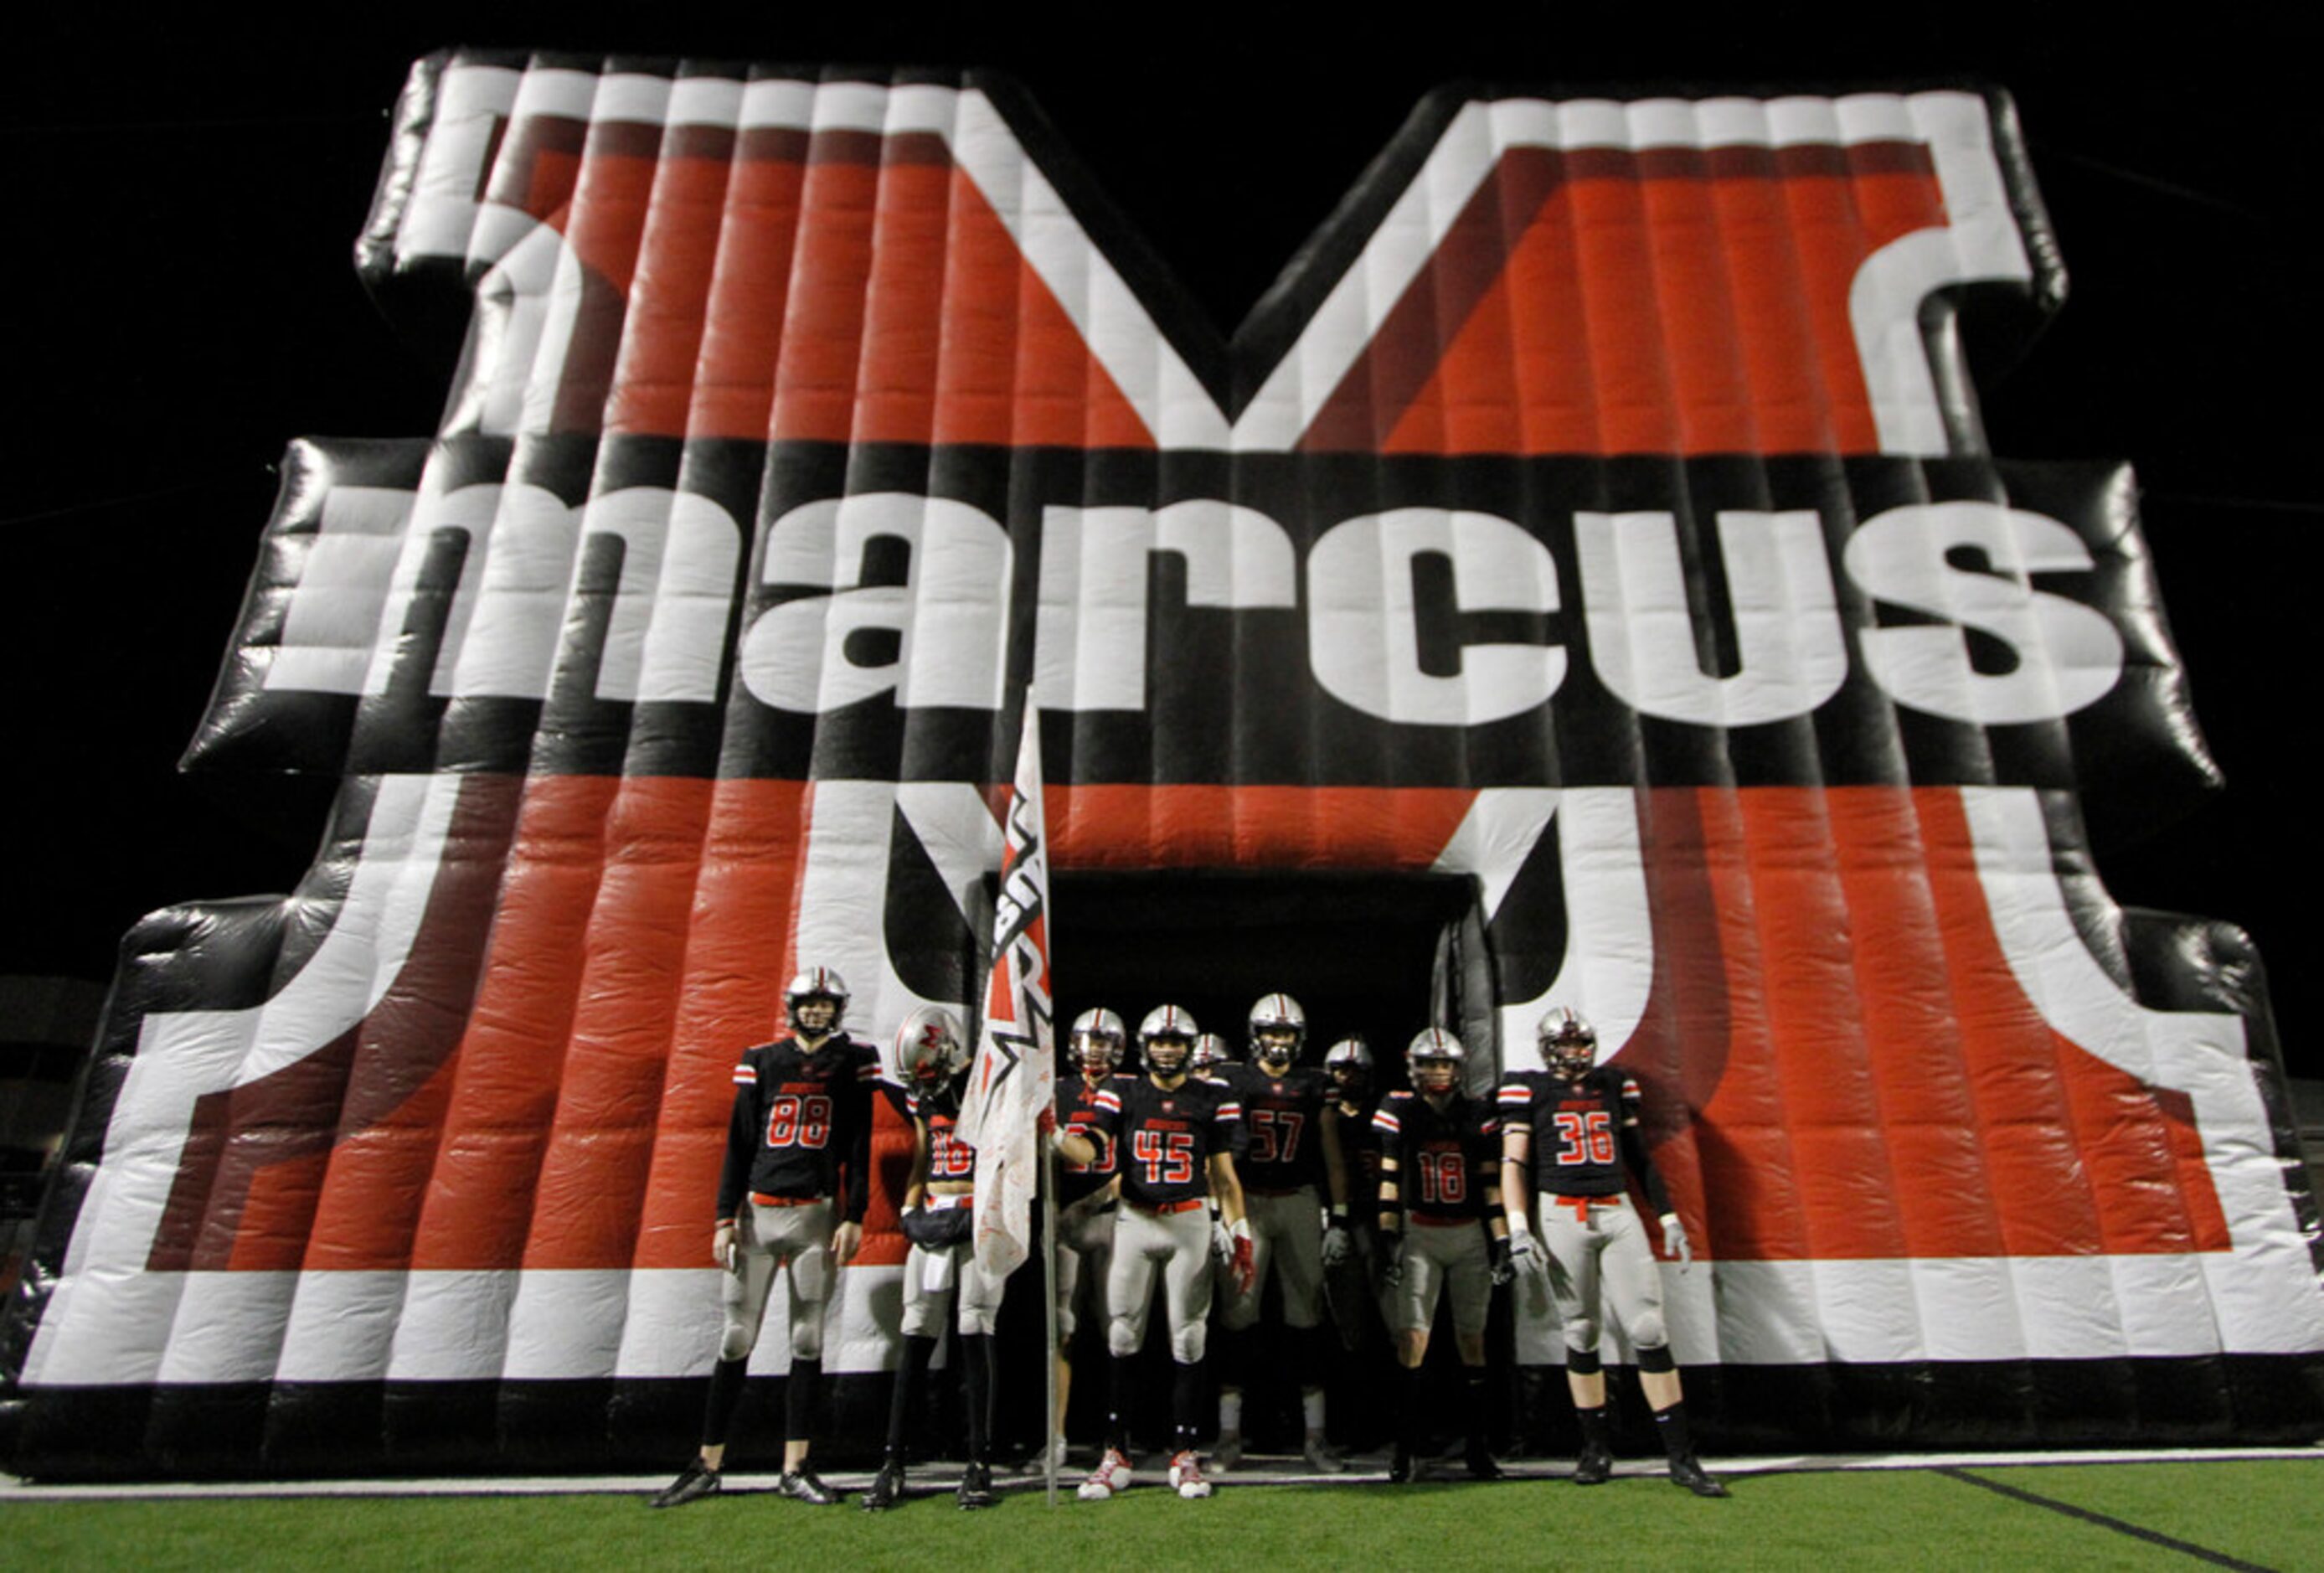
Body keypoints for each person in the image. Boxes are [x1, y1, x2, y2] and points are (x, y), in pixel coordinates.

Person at [652, 966, 879, 1509]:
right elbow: (739, 1141)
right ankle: (706, 1464)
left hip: (816, 1215)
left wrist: (856, 1214)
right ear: (792, 1005)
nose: (817, 1011)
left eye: (826, 1003)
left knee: (807, 1340)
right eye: (810, 1002)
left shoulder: (853, 1060)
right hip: (758, 1213)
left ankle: (795, 1466)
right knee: (736, 1337)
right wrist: (723, 1216)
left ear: (838, 1009)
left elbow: (858, 1143)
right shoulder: (763, 1059)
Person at [1498, 1007, 1727, 1498]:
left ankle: (1682, 1457)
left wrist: (1667, 1216)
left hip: (1616, 1209)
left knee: (1647, 1327)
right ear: (1546, 1048)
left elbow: (1638, 1156)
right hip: (1560, 1211)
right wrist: (1518, 1228)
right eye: (1565, 1044)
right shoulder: (1527, 1090)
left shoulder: (1613, 1085)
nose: (1575, 1053)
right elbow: (1513, 1163)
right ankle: (1595, 1448)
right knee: (1580, 1330)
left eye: (1582, 1043)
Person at [1055, 1004, 1255, 1501]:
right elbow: (1089, 1149)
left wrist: (1241, 1229)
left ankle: (1185, 1453)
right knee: (1121, 1336)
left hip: (1188, 1219)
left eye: (1176, 1042)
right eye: (1160, 1041)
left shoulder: (1213, 1095)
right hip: (1135, 1220)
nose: (1168, 1050)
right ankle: (1115, 1452)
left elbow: (1225, 1176)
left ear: (1189, 1047)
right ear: (1146, 1047)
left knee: (1189, 1339)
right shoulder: (1123, 1091)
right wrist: (1055, 1134)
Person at [863, 1005, 1004, 1511]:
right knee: (916, 1331)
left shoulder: (985, 1089)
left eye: (926, 1070)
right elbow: (923, 1156)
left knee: (974, 1328)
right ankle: (893, 1461)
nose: (921, 1084)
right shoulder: (926, 1100)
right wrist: (908, 1206)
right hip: (936, 1211)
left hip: (979, 1213)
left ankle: (979, 1461)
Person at [1214, 993, 1346, 1472]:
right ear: (1256, 1035)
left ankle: (1315, 1438)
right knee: (1237, 1318)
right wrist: (1219, 1211)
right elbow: (1218, 1148)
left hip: (1298, 1200)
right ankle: (1229, 1437)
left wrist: (1342, 1214)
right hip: (1247, 1199)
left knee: (1307, 1317)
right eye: (1272, 1032)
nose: (1279, 1042)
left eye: (1286, 1033)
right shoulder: (1232, 1079)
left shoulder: (1314, 1085)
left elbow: (1330, 1149)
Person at [1373, 1028, 1507, 1481]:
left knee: (1473, 1342)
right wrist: (1389, 1235)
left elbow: (1490, 1182)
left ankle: (1477, 1446)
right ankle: (1405, 1448)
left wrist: (1502, 1239)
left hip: (1468, 1232)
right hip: (1421, 1232)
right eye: (1429, 1064)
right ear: (1414, 1067)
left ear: (1458, 1067)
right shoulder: (1400, 1110)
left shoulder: (1476, 1113)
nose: (1437, 1072)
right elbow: (1389, 1178)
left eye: (1444, 1064)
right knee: (1413, 1342)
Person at [1049, 1008, 1129, 1467]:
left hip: (1113, 1215)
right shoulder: (1056, 1090)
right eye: (1089, 1040)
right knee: (1061, 1330)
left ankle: (1117, 1437)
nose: (1095, 1049)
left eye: (1104, 1041)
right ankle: (1057, 1436)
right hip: (1065, 1218)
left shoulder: (1130, 1088)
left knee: (1117, 1329)